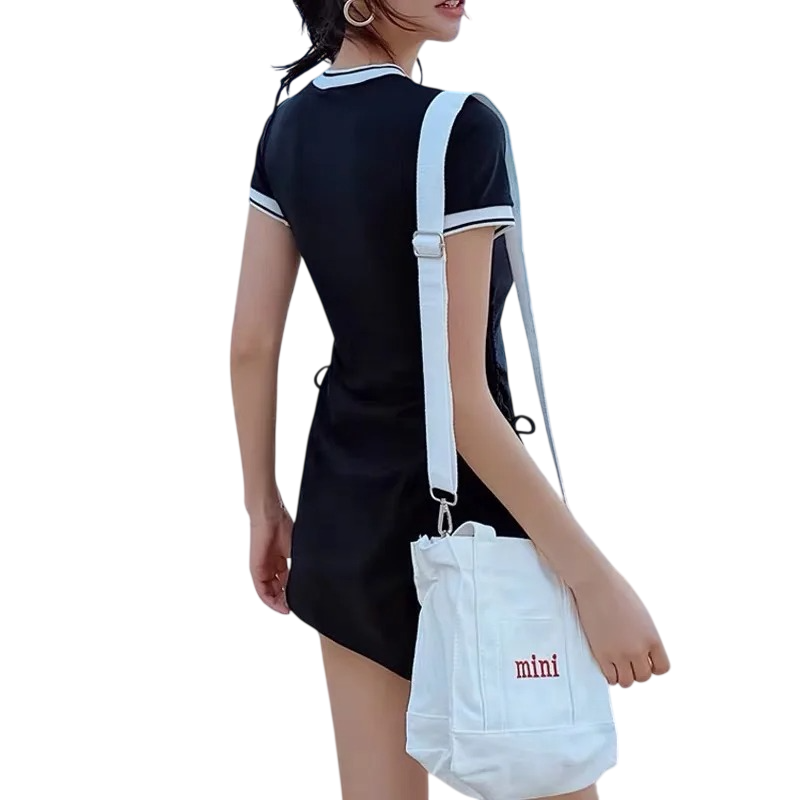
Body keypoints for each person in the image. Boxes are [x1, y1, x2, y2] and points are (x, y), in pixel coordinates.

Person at [229, 2, 671, 798]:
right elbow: (461, 402)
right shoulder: (460, 128)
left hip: (343, 517)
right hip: (472, 514)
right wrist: (594, 583)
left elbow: (250, 344)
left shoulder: (286, 130)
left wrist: (263, 506)